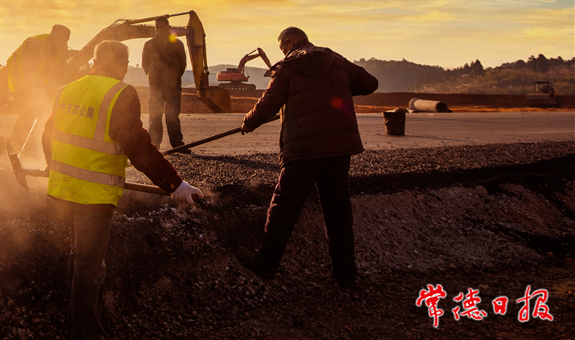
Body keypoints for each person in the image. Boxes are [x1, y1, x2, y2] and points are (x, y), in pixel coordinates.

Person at [42, 40, 204, 340]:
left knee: (78, 260)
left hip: (63, 191)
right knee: (90, 269)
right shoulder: (120, 93)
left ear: (95, 60)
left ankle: (82, 323)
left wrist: (54, 167)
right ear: (122, 65)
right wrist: (175, 185)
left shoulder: (67, 89)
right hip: (94, 197)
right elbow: (138, 147)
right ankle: (87, 334)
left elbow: (47, 136)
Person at [236, 27, 378, 289]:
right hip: (339, 147)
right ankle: (345, 275)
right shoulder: (335, 59)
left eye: (282, 48)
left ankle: (266, 263)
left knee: (284, 205)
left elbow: (268, 104)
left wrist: (248, 122)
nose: (283, 52)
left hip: (304, 148)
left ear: (289, 42)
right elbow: (371, 84)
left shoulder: (289, 66)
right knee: (338, 210)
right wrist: (337, 89)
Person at [7, 24, 70, 147]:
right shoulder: (35, 44)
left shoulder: (62, 48)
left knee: (34, 109)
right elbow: (30, 72)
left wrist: (54, 87)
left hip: (38, 82)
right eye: (61, 39)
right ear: (53, 36)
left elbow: (60, 71)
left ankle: (26, 142)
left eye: (66, 40)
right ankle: (16, 143)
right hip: (18, 78)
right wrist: (38, 93)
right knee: (29, 110)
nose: (63, 43)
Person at [141, 16, 188, 151]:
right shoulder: (149, 45)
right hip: (156, 86)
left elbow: (182, 65)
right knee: (155, 116)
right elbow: (145, 65)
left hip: (173, 86)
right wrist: (154, 78)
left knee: (172, 116)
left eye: (161, 27)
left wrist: (174, 78)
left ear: (168, 28)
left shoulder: (177, 44)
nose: (159, 30)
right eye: (157, 28)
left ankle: (177, 144)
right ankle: (154, 145)